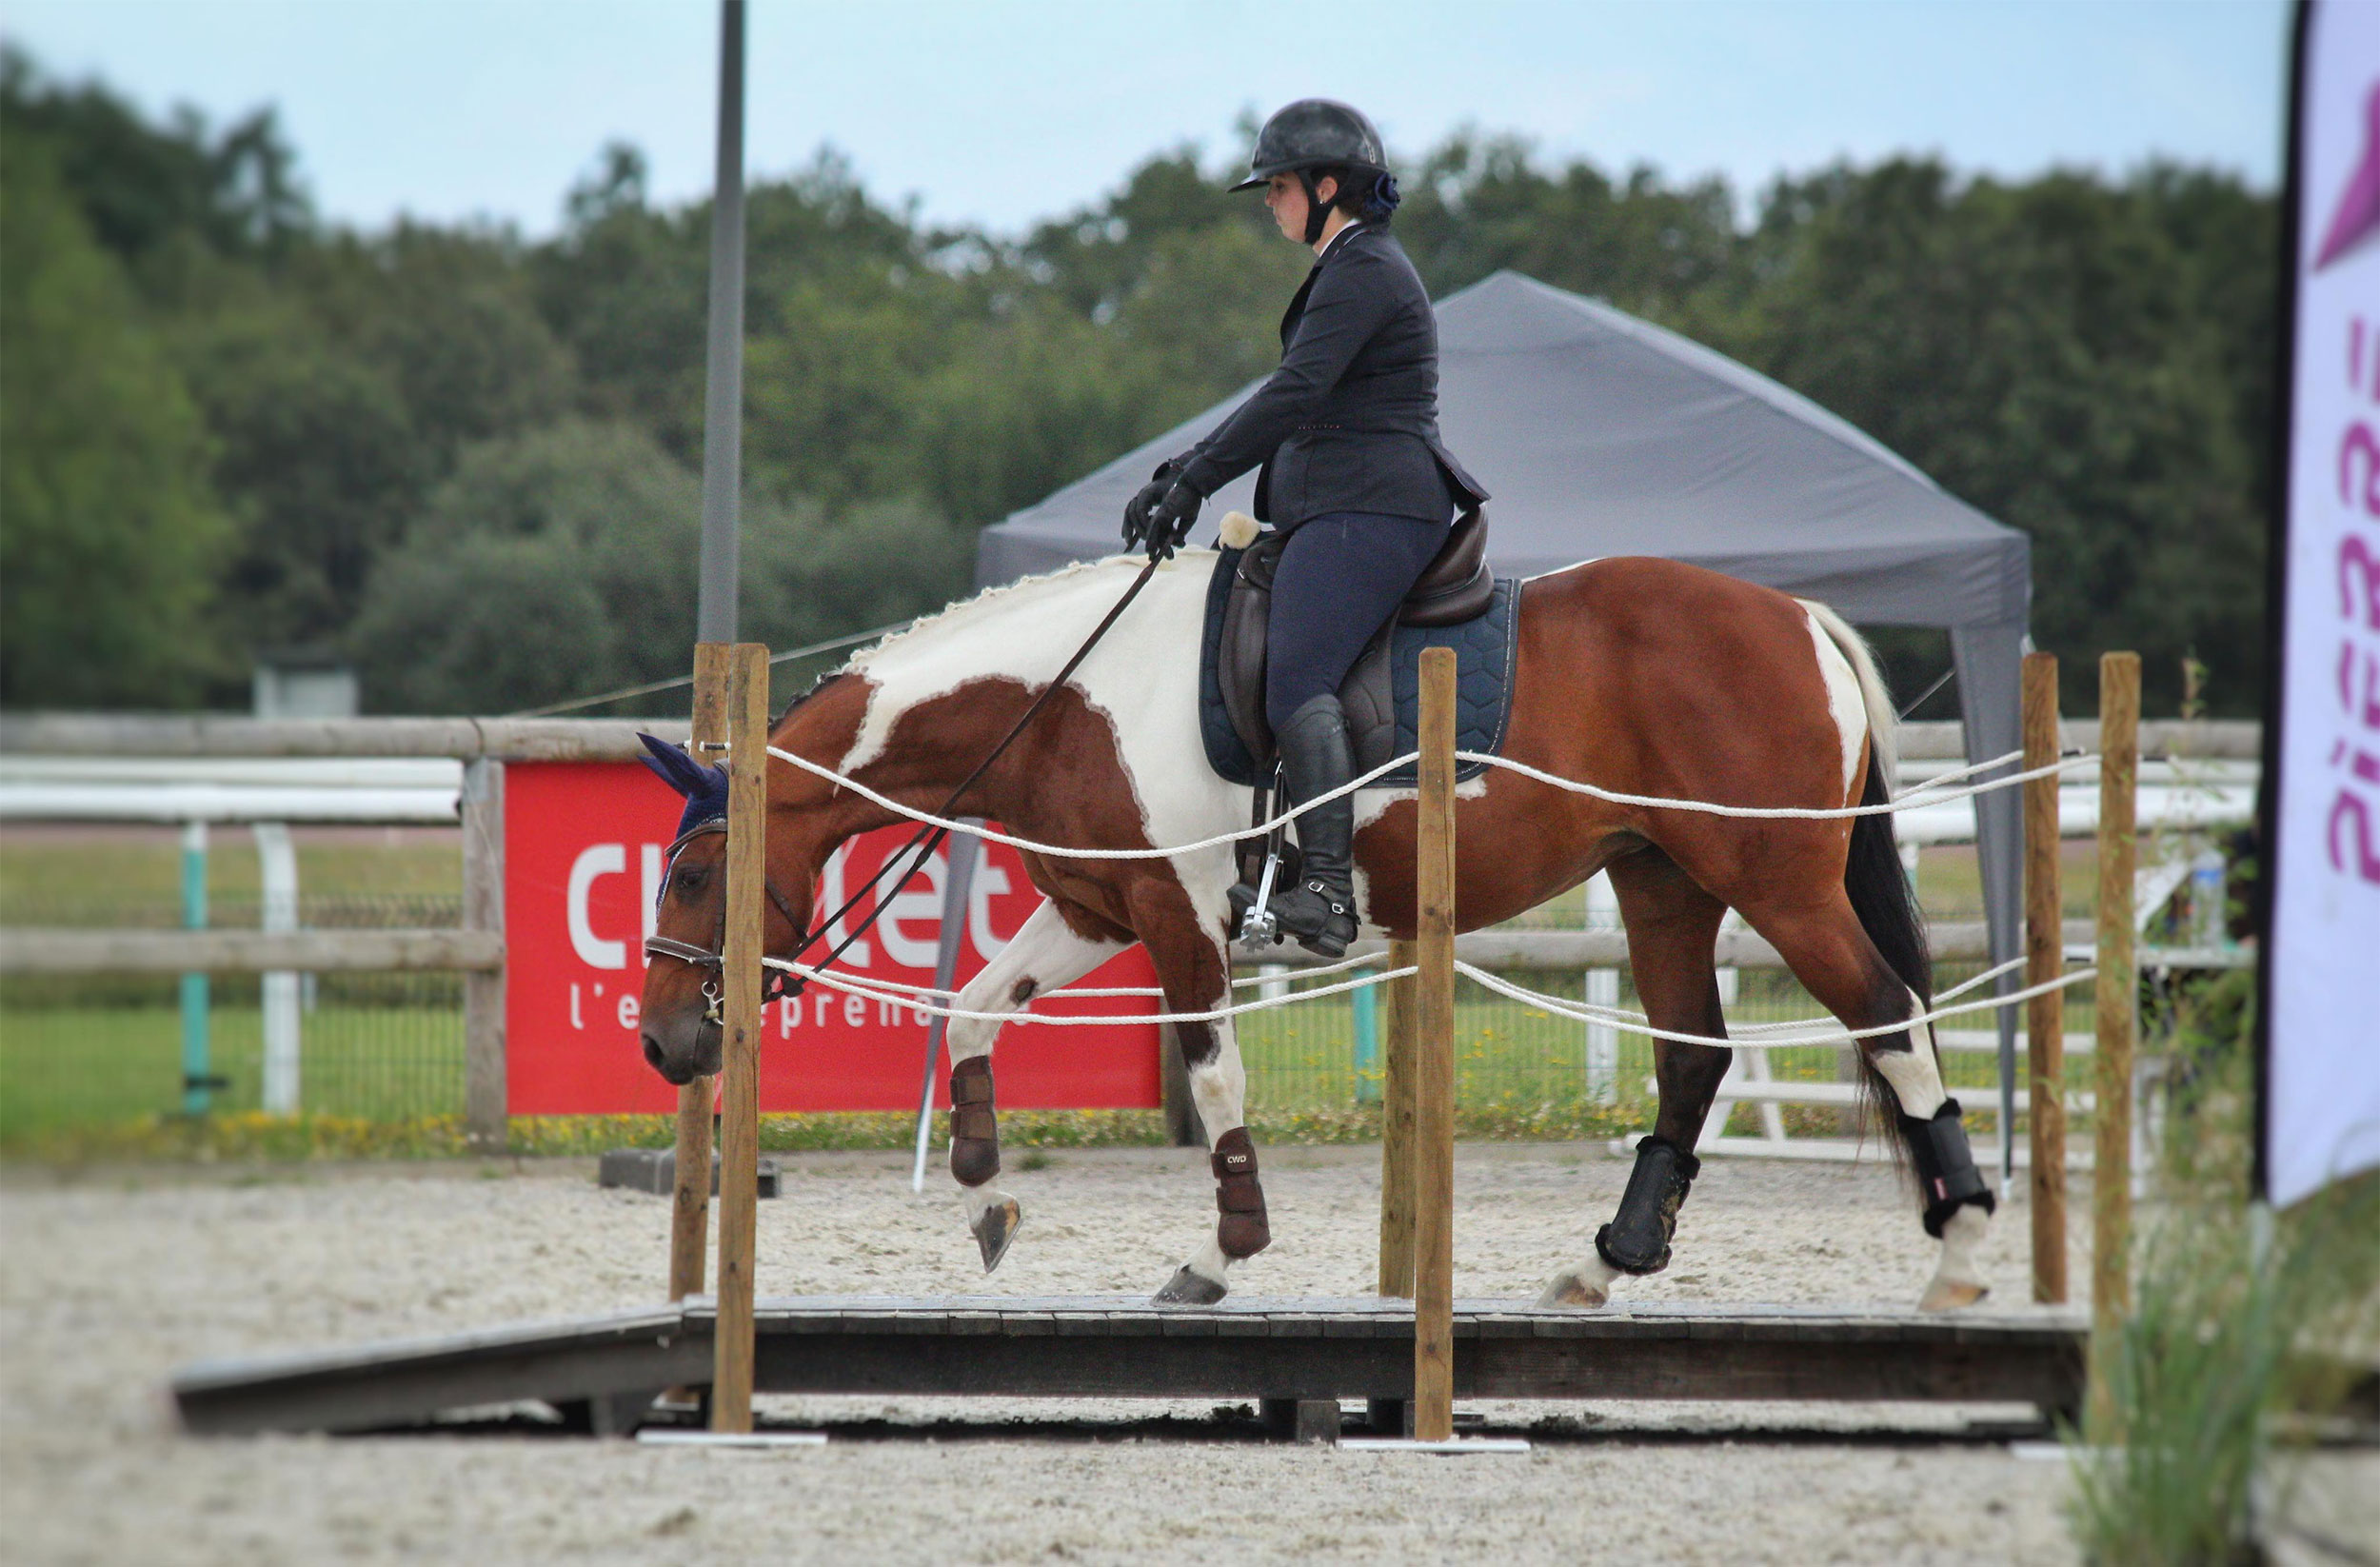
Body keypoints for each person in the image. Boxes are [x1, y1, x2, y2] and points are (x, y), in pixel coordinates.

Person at [1122, 98, 1489, 958]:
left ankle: (1326, 890)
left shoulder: (1364, 268)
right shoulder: (1347, 264)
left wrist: (1198, 477)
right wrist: (1188, 472)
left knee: (1296, 676)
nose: (1268, 201)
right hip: (1341, 500)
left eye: (1279, 186)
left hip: (1376, 503)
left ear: (1330, 188)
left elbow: (1296, 394)